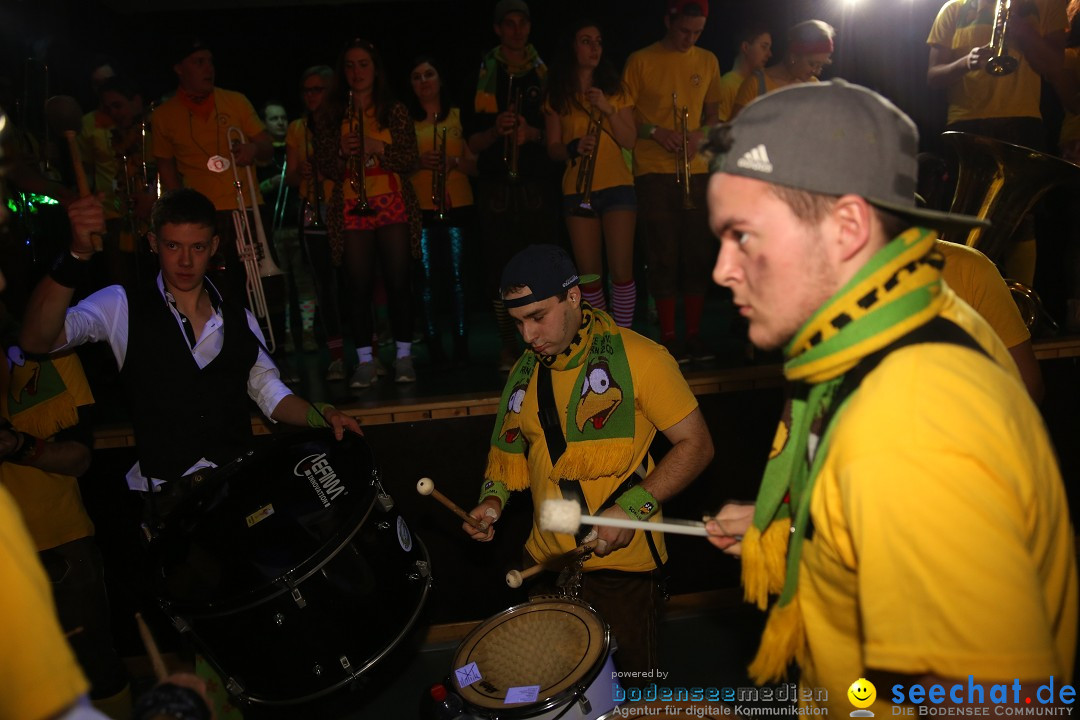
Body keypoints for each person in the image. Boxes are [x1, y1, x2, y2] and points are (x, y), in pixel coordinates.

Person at [703, 81, 1076, 713]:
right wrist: (810, 533)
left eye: (744, 235)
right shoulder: (896, 332)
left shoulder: (907, 423)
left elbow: (1003, 703)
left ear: (847, 226)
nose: (721, 269)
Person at [463, 244, 714, 677]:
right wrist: (492, 502)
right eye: (518, 322)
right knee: (548, 690)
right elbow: (508, 453)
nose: (528, 336)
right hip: (543, 561)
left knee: (631, 697)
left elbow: (698, 446)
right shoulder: (525, 371)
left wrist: (632, 509)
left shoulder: (643, 359)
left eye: (538, 317)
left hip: (621, 569)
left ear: (574, 297)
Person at [18, 188, 362, 498]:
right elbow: (37, 340)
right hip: (168, 500)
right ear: (153, 242)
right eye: (172, 246)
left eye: (197, 247)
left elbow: (270, 394)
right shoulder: (120, 305)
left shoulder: (240, 317)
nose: (185, 261)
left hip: (236, 488)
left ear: (213, 246)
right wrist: (76, 255)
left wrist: (323, 414)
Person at [0, 320, 130, 716]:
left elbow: (80, 457)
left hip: (59, 543)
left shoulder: (48, 349)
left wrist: (19, 446)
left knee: (95, 670)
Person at [151, 37, 285, 363]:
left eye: (209, 61)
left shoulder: (235, 101)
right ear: (179, 68)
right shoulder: (165, 115)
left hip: (245, 208)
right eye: (198, 62)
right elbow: (167, 170)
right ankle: (224, 358)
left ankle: (271, 357)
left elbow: (266, 146)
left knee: (262, 287)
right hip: (202, 219)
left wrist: (253, 150)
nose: (207, 68)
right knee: (217, 289)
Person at [927, 0, 1068, 287]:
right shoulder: (952, 9)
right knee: (964, 217)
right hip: (966, 122)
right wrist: (966, 62)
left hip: (1021, 119)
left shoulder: (1046, 5)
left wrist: (1023, 32)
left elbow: (1055, 66)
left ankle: (1018, 307)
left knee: (1021, 219)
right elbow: (933, 76)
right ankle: (961, 299)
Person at [312, 38, 422, 388]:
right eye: (350, 65)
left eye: (363, 64)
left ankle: (404, 356)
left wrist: (379, 147)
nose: (356, 72)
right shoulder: (331, 113)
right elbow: (326, 166)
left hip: (392, 202)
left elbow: (409, 158)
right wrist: (342, 154)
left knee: (398, 282)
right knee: (356, 286)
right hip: (350, 204)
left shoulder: (395, 109)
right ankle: (364, 360)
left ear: (375, 69)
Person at [622, 0, 721, 362]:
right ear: (668, 20)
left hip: (696, 169)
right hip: (654, 170)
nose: (689, 38)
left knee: (697, 253)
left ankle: (693, 335)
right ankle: (667, 338)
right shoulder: (640, 60)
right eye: (683, 31)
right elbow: (626, 113)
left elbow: (713, 113)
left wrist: (700, 135)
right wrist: (655, 131)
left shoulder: (708, 60)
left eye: (697, 32)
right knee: (662, 254)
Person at [463, 0, 558, 371]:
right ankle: (508, 345)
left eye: (523, 24)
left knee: (541, 267)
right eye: (510, 24)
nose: (517, 30)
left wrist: (530, 132)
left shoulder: (543, 72)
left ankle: (548, 340)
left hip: (536, 185)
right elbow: (470, 141)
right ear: (498, 29)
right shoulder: (483, 72)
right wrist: (494, 131)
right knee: (500, 273)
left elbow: (555, 133)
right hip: (496, 188)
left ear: (529, 28)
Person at [543, 20, 638, 328]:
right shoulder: (558, 93)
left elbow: (630, 139)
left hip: (618, 187)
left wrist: (607, 108)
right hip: (576, 188)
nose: (594, 47)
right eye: (586, 41)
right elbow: (552, 147)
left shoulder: (615, 90)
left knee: (622, 272)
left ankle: (621, 336)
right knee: (589, 276)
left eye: (598, 41)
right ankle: (600, 335)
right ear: (572, 47)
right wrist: (572, 146)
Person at [407, 55, 477, 366]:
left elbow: (477, 166)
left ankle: (462, 343)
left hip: (458, 204)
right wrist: (418, 163)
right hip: (419, 208)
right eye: (417, 76)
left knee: (459, 278)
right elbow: (395, 167)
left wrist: (455, 163)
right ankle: (433, 345)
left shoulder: (460, 117)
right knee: (424, 281)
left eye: (429, 74)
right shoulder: (405, 122)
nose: (424, 81)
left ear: (440, 79)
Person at [285, 65, 347, 380]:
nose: (311, 96)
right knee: (325, 284)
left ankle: (367, 352)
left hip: (343, 207)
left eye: (317, 89)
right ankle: (337, 354)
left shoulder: (344, 122)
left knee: (353, 282)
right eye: (306, 90)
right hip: (313, 209)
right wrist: (306, 174)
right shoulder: (297, 127)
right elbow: (291, 174)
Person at [730, 19, 835, 118]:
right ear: (793, 56)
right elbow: (732, 133)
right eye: (812, 64)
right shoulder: (755, 84)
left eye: (820, 66)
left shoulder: (814, 86)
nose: (816, 72)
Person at [717, 22, 773, 122]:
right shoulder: (727, 85)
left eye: (769, 48)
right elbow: (720, 128)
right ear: (745, 47)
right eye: (764, 47)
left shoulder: (760, 82)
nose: (769, 54)